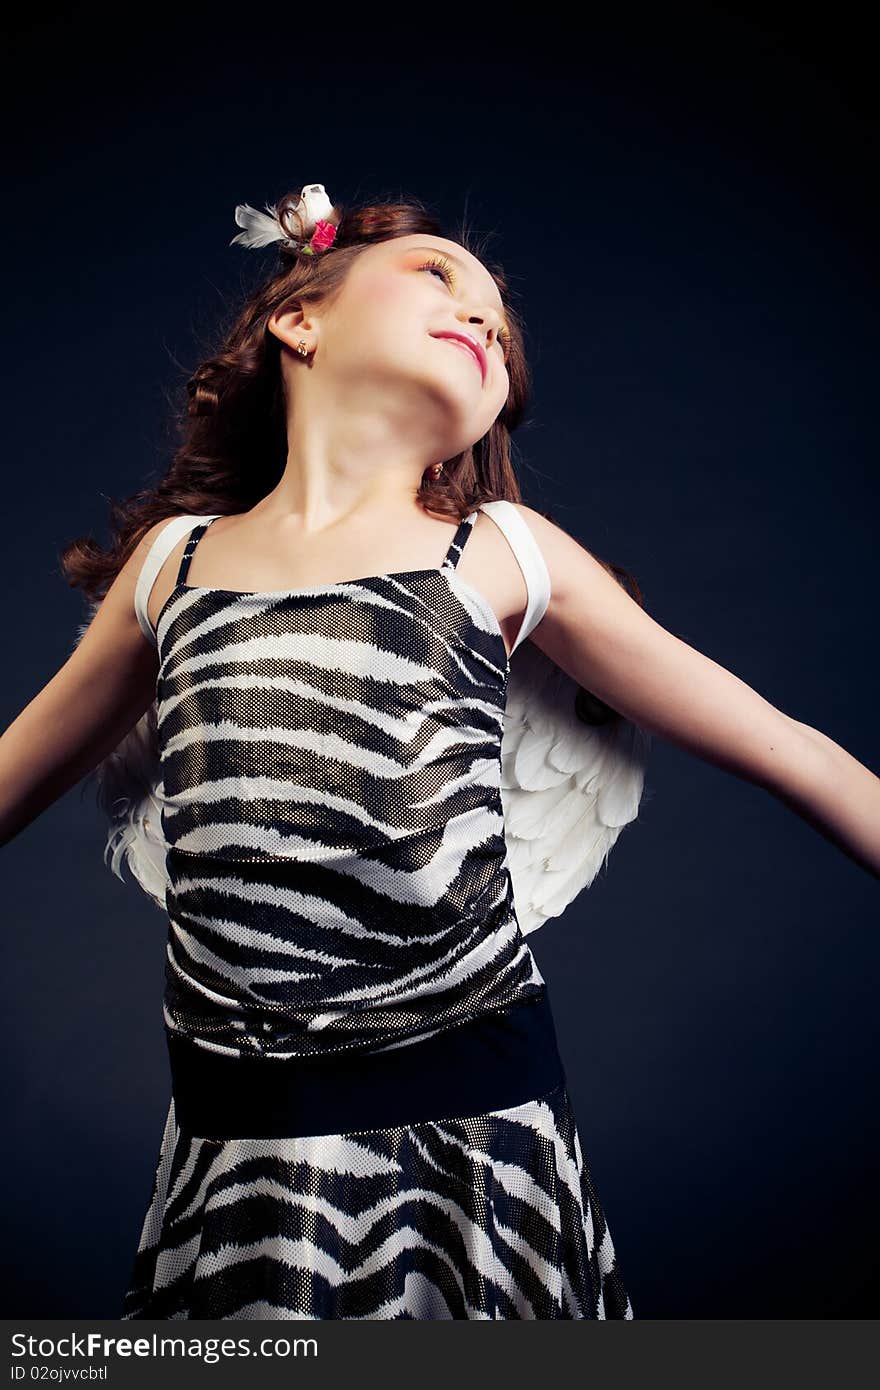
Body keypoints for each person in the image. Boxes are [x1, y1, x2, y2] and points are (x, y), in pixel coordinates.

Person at [1, 183, 877, 1321]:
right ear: (298, 319)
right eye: (437, 274)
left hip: (475, 1134)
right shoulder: (175, 563)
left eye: (502, 330)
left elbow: (793, 749)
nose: (481, 317)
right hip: (242, 1144)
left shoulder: (499, 551)